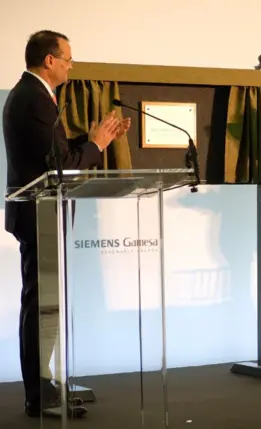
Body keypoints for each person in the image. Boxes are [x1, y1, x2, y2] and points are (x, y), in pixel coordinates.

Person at [3, 30, 130, 418]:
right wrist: (97, 147)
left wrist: (88, 139)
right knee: (41, 306)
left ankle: (44, 387)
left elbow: (51, 152)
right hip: (38, 212)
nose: (72, 65)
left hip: (41, 212)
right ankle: (39, 394)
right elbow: (57, 166)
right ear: (49, 61)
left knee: (45, 305)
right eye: (68, 58)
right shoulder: (33, 98)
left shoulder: (33, 96)